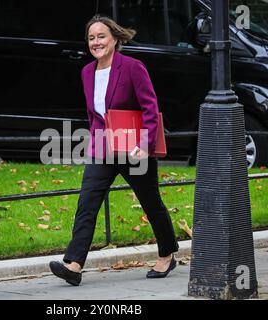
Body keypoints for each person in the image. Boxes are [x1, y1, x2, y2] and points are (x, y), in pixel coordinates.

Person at [49, 15, 179, 286]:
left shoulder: (132, 67)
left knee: (150, 202)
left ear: (115, 39)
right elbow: (93, 114)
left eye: (101, 36)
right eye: (91, 38)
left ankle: (167, 253)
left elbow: (150, 108)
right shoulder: (87, 72)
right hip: (103, 149)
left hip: (133, 149)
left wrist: (145, 145)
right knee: (87, 202)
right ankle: (73, 264)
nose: (96, 42)